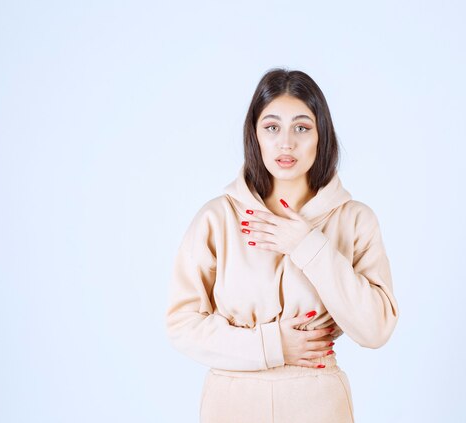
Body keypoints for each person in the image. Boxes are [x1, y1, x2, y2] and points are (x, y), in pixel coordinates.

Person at [165, 68, 399, 423]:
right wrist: (271, 346)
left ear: (322, 135)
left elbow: (376, 329)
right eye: (271, 127)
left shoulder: (355, 219)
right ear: (254, 135)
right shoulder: (218, 218)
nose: (286, 143)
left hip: (318, 404)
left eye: (302, 128)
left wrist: (308, 245)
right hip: (232, 404)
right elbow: (181, 324)